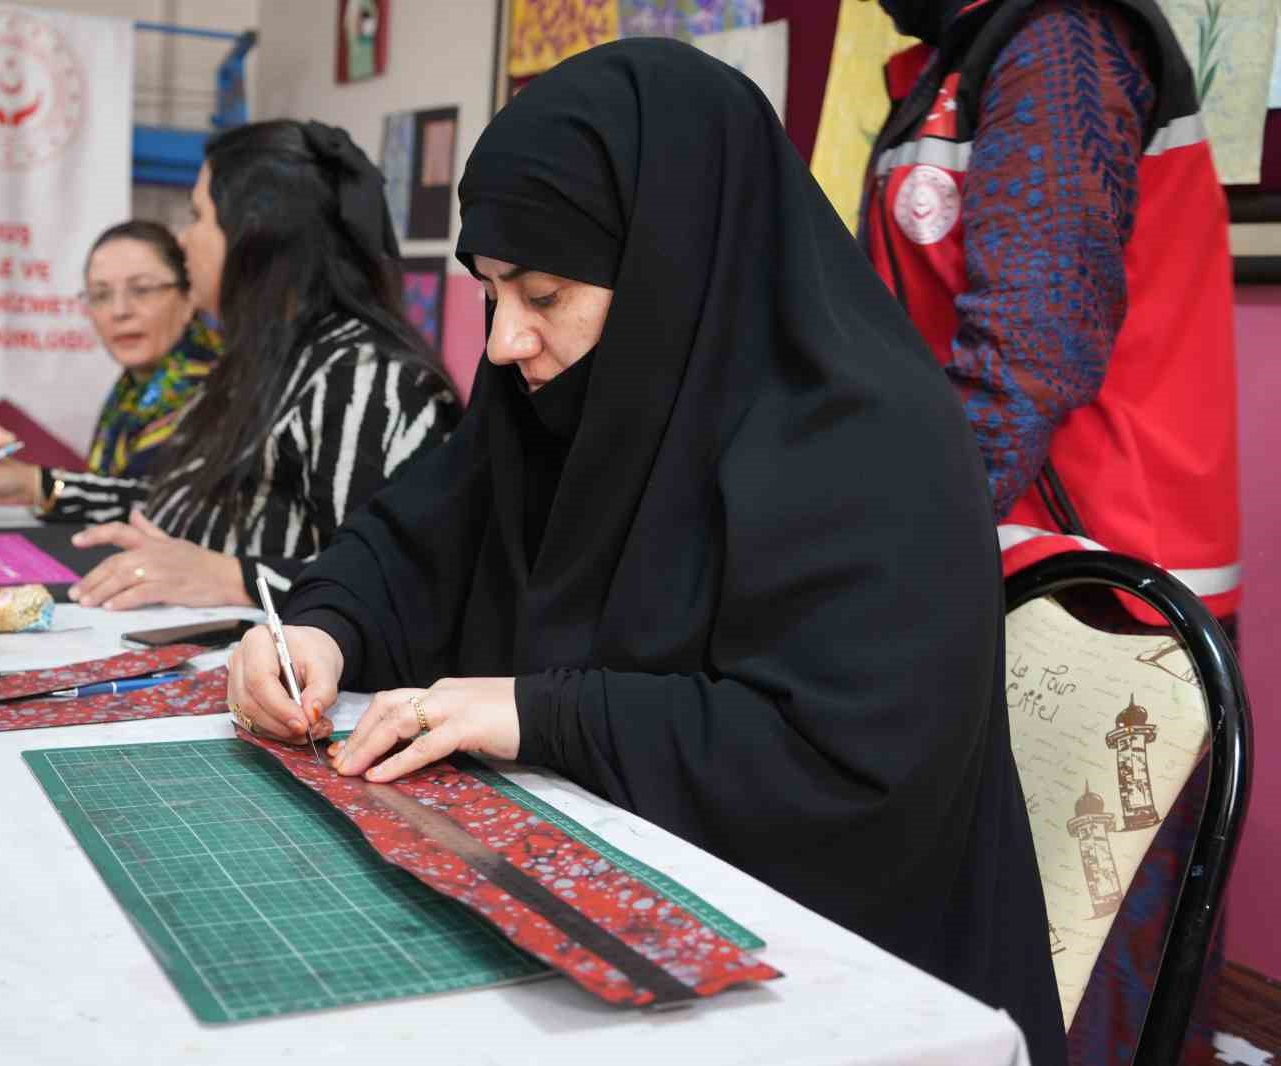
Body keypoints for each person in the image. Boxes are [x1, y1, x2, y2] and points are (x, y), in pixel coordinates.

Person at [228, 39, 1065, 1062]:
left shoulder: (868, 439)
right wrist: (320, 628)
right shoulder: (553, 398)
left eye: (542, 296)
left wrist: (541, 710)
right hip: (599, 903)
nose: (501, 343)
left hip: (844, 971)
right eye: (490, 293)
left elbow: (842, 767)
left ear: (668, 266)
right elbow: (413, 541)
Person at [861, 3, 1236, 1061]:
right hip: (1016, 565)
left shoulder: (1059, 45)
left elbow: (1030, 352)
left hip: (1109, 601)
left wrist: (868, 557)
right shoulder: (961, 57)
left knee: (1074, 1002)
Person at [0, 121, 459, 611]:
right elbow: (195, 504)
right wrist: (37, 486)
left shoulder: (364, 379)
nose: (183, 240)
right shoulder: (272, 361)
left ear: (258, 234)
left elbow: (395, 583)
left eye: (198, 217)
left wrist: (230, 577)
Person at [0, 219, 221, 491]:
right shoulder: (131, 391)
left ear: (188, 297)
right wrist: (23, 483)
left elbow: (145, 505)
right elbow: (113, 493)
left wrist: (35, 485)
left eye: (142, 290)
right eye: (100, 295)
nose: (120, 310)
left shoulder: (207, 389)